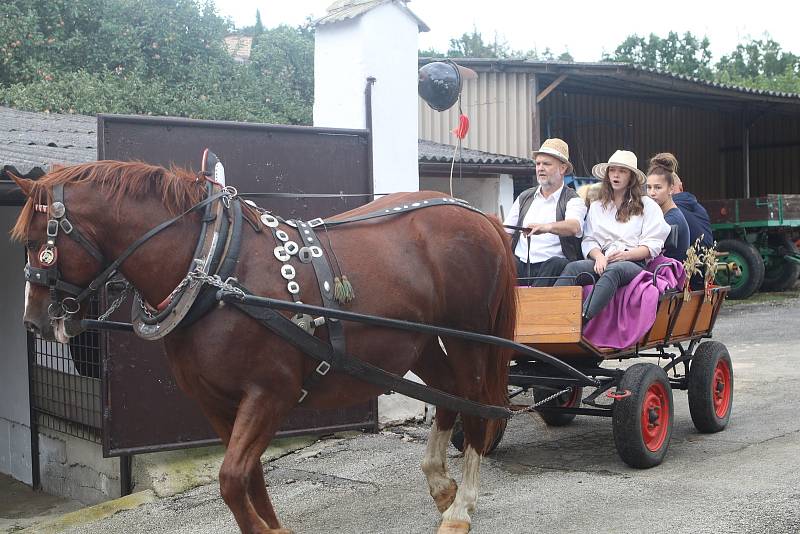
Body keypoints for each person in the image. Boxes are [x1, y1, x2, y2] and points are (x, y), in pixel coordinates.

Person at [555, 150, 670, 321]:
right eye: (612, 170)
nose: (616, 175)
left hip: (632, 262)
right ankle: (548, 314)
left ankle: (581, 319)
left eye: (622, 171)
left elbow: (652, 245)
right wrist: (599, 256)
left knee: (613, 271)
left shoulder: (648, 206)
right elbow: (589, 239)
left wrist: (627, 255)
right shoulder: (597, 206)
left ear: (631, 177)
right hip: (604, 259)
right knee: (574, 268)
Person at [503, 138, 587, 286]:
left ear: (562, 169)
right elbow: (506, 233)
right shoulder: (524, 197)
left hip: (553, 269)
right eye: (538, 164)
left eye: (546, 164)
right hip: (522, 265)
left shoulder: (573, 199)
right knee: (504, 261)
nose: (540, 168)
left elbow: (574, 226)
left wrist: (545, 227)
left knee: (555, 263)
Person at [646, 153, 691, 261]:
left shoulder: (672, 220)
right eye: (649, 187)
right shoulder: (662, 215)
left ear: (671, 189)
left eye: (658, 187)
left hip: (665, 276)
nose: (652, 193)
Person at [669, 159, 714, 249]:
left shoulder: (670, 211)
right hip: (707, 259)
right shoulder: (700, 208)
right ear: (681, 187)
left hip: (685, 261)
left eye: (657, 187)